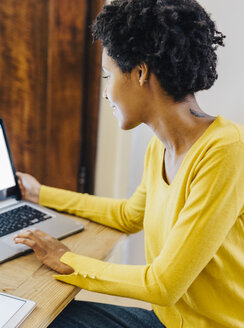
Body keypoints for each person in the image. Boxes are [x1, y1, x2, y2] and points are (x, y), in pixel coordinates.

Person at [13, 0, 244, 327]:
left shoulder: (226, 152)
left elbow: (163, 285)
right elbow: (129, 216)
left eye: (109, 75)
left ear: (140, 72)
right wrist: (40, 195)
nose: (106, 93)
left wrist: (67, 260)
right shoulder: (160, 147)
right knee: (35, 315)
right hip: (163, 322)